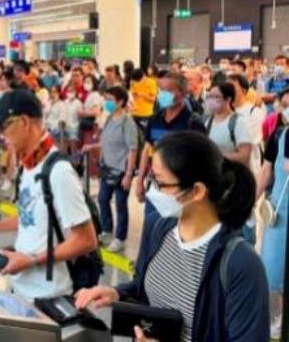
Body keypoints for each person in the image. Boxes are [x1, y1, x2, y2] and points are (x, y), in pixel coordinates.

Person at [75, 131, 269, 342]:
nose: (152, 191)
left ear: (197, 191)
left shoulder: (240, 264)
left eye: (160, 183)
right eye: (151, 179)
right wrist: (117, 293)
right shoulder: (158, 228)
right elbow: (143, 287)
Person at [0, 89, 98, 300]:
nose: (1, 136)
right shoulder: (29, 166)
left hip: (48, 295)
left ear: (24, 122)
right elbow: (31, 216)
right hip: (21, 288)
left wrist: (31, 260)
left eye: (3, 127)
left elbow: (86, 240)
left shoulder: (59, 171)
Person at [136, 74, 206, 226]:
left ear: (182, 93)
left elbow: (201, 157)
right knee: (151, 227)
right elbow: (147, 149)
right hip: (155, 186)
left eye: (168, 90)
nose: (162, 94)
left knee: (176, 231)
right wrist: (140, 180)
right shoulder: (154, 119)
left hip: (180, 190)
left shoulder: (192, 122)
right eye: (160, 89)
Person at [256, 91, 289, 339]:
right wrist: (250, 201)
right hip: (280, 214)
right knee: (273, 269)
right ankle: (276, 318)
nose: (285, 109)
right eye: (284, 104)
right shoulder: (279, 135)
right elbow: (266, 171)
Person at [96, 87, 138, 252]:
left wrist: (128, 174)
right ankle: (106, 231)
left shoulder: (127, 122)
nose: (107, 102)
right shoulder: (109, 118)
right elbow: (105, 141)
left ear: (120, 102)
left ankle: (120, 238)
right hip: (107, 168)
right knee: (103, 199)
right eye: (106, 99)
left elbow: (132, 149)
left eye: (111, 100)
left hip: (122, 170)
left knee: (121, 204)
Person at [205, 82, 252, 168]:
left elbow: (244, 155)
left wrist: (216, 157)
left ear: (228, 99)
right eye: (210, 96)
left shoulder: (239, 122)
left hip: (232, 172)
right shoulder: (207, 121)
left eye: (216, 97)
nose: (212, 100)